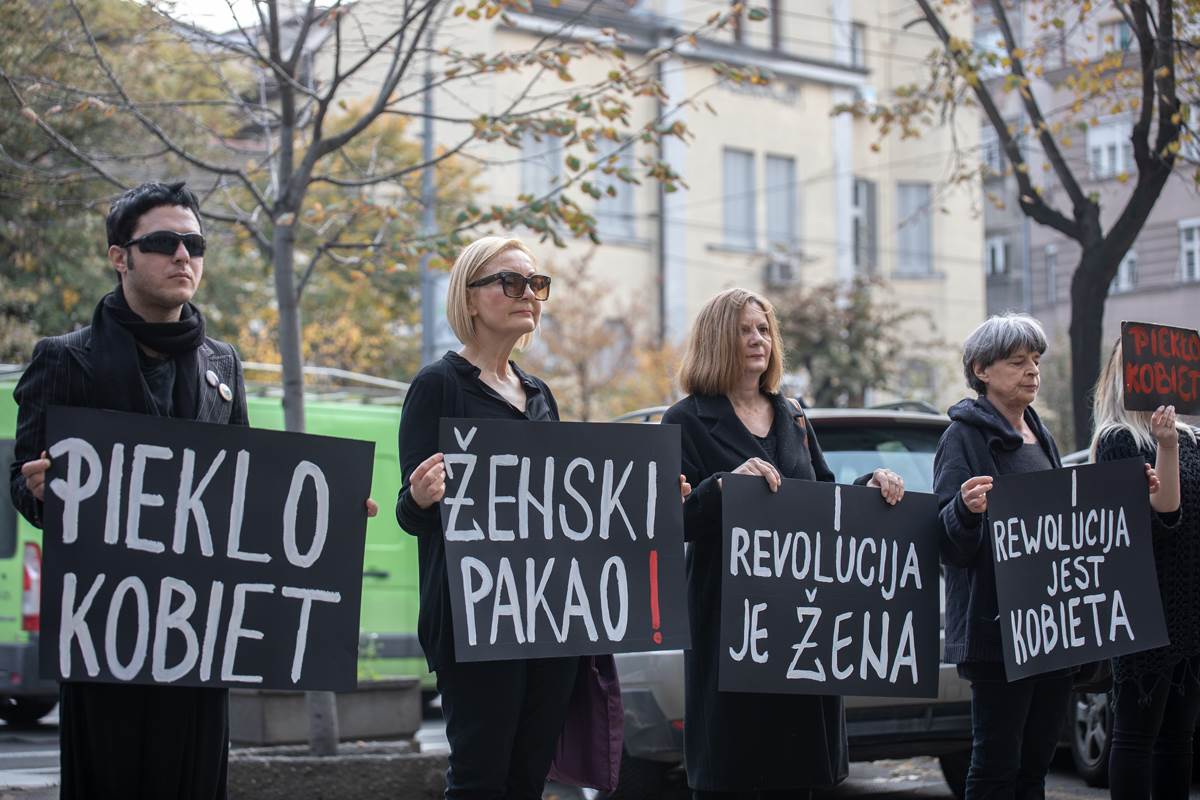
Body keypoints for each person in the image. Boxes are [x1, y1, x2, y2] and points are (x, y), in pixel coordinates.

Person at [11, 181, 243, 800]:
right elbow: (22, 485)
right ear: (120, 257)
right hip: (104, 632)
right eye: (163, 243)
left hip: (197, 632)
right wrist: (41, 489)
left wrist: (329, 510)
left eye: (194, 243)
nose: (183, 257)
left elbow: (246, 485)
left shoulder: (223, 365)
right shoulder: (63, 360)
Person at [662, 288, 905, 800]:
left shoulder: (793, 414)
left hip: (800, 626)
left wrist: (870, 491)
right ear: (716, 340)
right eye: (745, 329)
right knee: (734, 773)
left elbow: (823, 501)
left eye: (764, 328)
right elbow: (667, 522)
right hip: (731, 626)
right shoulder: (684, 419)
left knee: (799, 776)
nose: (758, 339)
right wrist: (722, 488)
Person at [932, 312, 1161, 799]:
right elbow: (949, 544)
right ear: (981, 370)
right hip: (997, 635)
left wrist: (1127, 493)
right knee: (996, 765)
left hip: (1049, 629)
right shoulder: (963, 438)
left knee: (1034, 766)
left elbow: (1068, 524)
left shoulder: (1042, 435)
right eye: (1017, 362)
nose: (1032, 371)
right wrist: (966, 510)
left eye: (1035, 360)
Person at [1091, 340, 1196, 799]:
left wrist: (1175, 441)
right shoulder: (1118, 440)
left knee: (1179, 739)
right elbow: (1165, 517)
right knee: (1135, 735)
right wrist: (1166, 447)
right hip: (1142, 609)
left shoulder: (1192, 439)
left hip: (1189, 607)